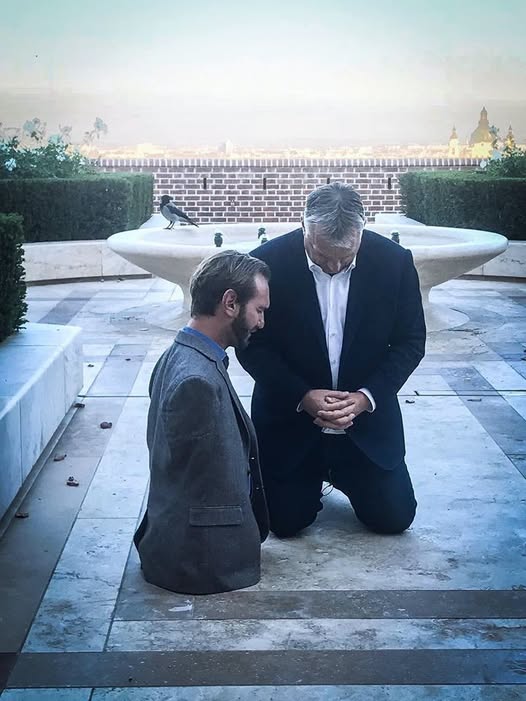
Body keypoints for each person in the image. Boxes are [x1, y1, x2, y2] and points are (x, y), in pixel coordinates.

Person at [237, 182, 426, 538]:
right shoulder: (264, 263)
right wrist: (302, 395)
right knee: (283, 523)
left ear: (362, 231)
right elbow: (250, 344)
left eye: (347, 255)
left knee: (394, 519)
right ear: (304, 228)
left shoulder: (395, 262)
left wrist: (365, 398)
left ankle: (345, 474)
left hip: (366, 424)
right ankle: (308, 478)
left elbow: (411, 341)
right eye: (323, 255)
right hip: (291, 421)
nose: (336, 265)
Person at [134, 250, 270, 594]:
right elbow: (186, 486)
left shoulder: (177, 356)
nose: (261, 323)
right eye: (259, 310)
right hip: (203, 563)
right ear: (230, 303)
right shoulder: (197, 381)